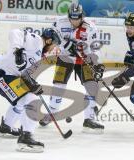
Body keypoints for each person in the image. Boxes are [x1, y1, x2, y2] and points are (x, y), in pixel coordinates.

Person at [0, 28, 61, 152]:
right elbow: (15, 32)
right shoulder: (37, 41)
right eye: (54, 45)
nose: (53, 49)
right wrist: (18, 50)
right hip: (0, 75)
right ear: (49, 41)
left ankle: (6, 127)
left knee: (23, 100)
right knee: (31, 99)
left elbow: (24, 75)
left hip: (4, 76)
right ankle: (26, 137)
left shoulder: (39, 56)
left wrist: (33, 84)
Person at [39, 3, 105, 134]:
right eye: (72, 18)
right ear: (68, 16)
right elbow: (49, 38)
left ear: (82, 16)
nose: (74, 21)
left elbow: (96, 48)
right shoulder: (59, 22)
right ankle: (51, 113)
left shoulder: (91, 27)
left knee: (91, 86)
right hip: (65, 58)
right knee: (58, 86)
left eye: (77, 18)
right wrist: (65, 44)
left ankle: (89, 119)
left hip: (84, 60)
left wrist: (95, 62)